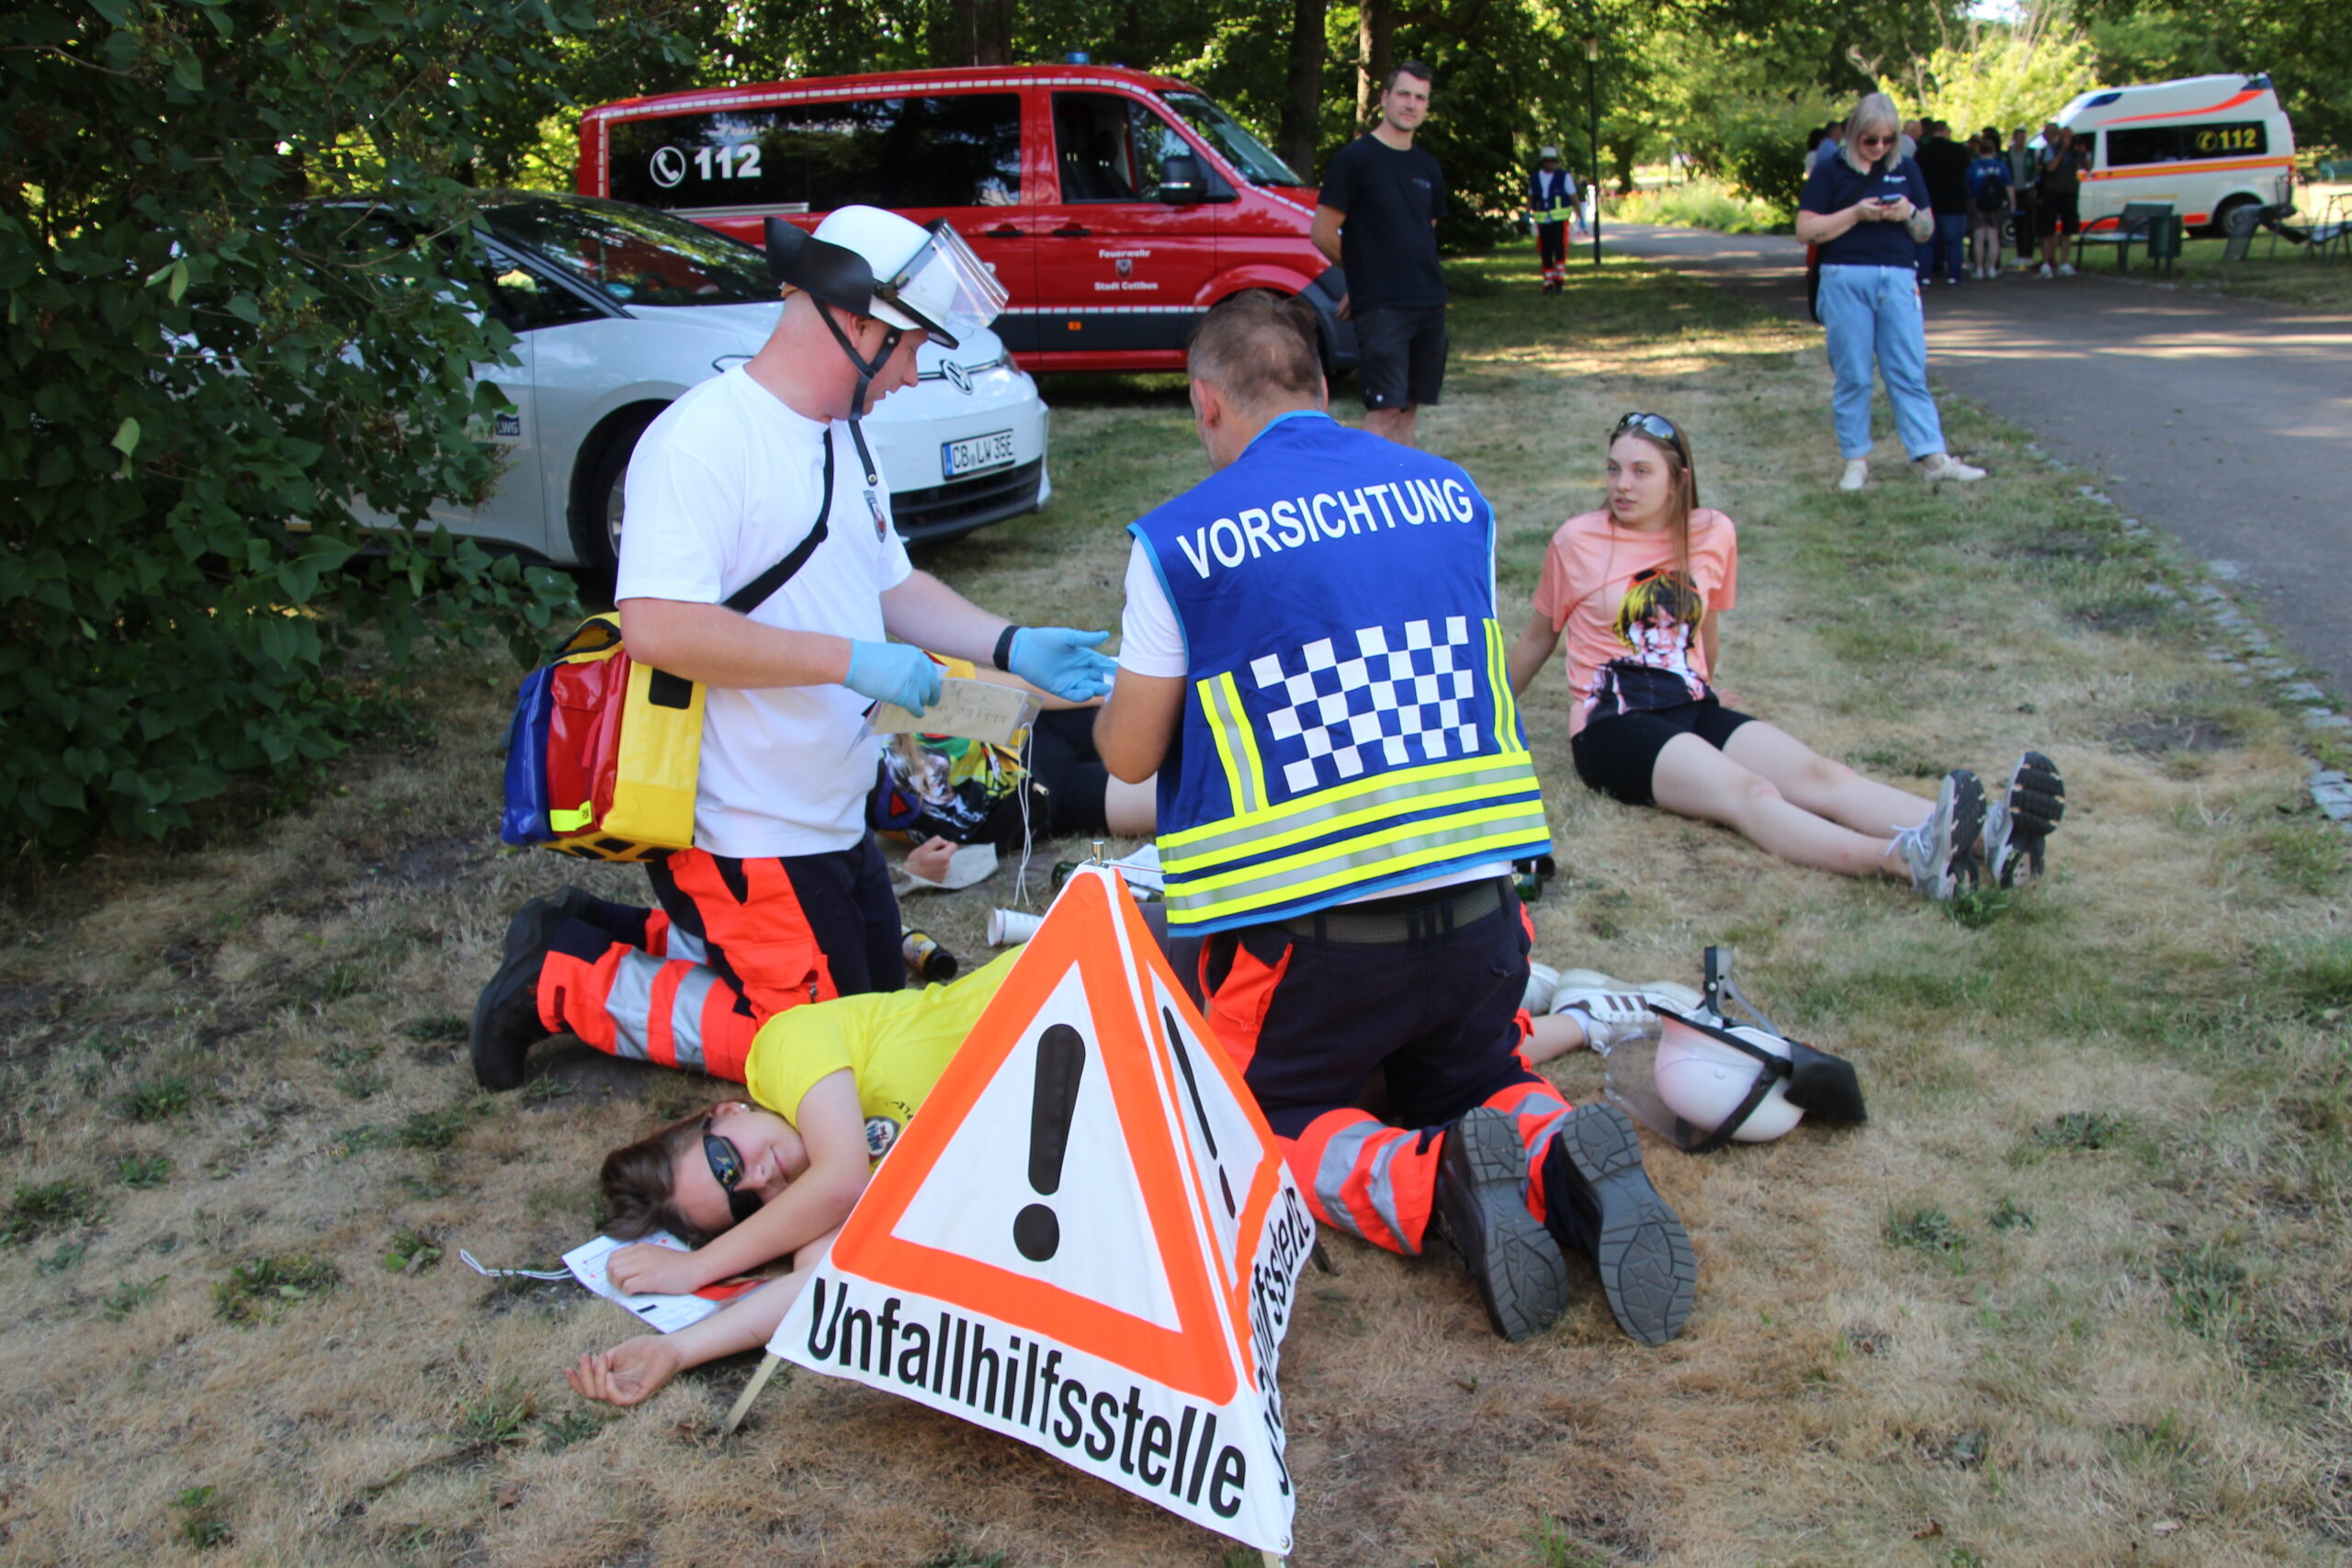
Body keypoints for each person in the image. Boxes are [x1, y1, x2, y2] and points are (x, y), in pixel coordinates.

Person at [1093, 291, 1695, 1347]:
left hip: (1305, 942)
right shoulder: (1452, 495)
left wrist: (1116, 693)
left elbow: (1130, 756)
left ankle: (1428, 1181)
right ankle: (1559, 1153)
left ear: (1205, 404)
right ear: (1323, 388)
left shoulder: (1182, 540)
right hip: (1481, 916)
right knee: (1481, 1075)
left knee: (1256, 1118)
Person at [469, 205, 1117, 1093]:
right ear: (854, 322)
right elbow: (660, 627)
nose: (914, 372)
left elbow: (892, 586)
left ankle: (595, 930)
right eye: (908, 347)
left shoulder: (843, 436)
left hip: (831, 811)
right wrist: (849, 661)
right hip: (745, 826)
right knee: (828, 1055)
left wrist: (1012, 641)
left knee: (879, 1007)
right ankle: (564, 977)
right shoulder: (701, 441)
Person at [1504, 411, 2066, 899]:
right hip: (1612, 725)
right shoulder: (1577, 540)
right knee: (1750, 792)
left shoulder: (1711, 532)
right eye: (1613, 469)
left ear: (1679, 481)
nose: (1621, 485)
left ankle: (1989, 836)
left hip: (1689, 706)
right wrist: (1484, 717)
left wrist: (1706, 687)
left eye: (1640, 471)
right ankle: (1905, 860)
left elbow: (1706, 630)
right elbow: (1537, 639)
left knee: (1823, 775)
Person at [563, 943, 1023, 1407]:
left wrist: (698, 1267)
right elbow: (824, 1287)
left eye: (727, 1163)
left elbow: (842, 1180)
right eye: (745, 1205)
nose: (758, 1179)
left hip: (1052, 997)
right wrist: (677, 1350)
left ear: (725, 1111)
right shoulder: (824, 1212)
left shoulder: (782, 1050)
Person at [1793, 94, 1985, 492]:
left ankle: (1933, 457)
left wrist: (1909, 213)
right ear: (1854, 134)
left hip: (1898, 277)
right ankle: (1856, 460)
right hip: (1845, 277)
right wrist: (1856, 213)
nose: (1879, 148)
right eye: (1871, 140)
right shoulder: (1830, 171)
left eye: (1888, 140)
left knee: (1908, 370)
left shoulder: (1906, 168)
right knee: (1853, 373)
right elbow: (1806, 230)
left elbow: (1926, 230)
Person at [1313, 62, 1449, 448]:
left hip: (1428, 301)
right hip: (1384, 309)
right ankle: (1355, 479)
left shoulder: (1427, 167)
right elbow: (1322, 233)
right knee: (1385, 408)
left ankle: (1400, 483)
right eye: (1403, 94)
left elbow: (1424, 234)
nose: (1411, 104)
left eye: (1420, 98)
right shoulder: (1354, 160)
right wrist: (1364, 281)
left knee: (1409, 407)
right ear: (1385, 98)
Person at [1913, 119, 1972, 288]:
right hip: (1954, 203)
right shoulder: (1958, 150)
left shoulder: (1922, 152)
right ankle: (1954, 276)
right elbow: (1966, 172)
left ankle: (1924, 276)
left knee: (1926, 242)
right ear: (1945, 131)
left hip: (1929, 202)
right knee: (1955, 243)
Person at [2036, 124, 2087, 276]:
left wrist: (2082, 154)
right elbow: (2051, 167)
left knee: (2068, 229)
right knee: (2047, 229)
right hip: (2052, 192)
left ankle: (2064, 262)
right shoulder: (2051, 148)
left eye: (2070, 136)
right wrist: (2063, 150)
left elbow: (2088, 167)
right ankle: (2046, 263)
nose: (2068, 139)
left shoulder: (2076, 149)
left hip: (2069, 192)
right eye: (2066, 136)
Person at [1529, 144, 1577, 294]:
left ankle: (1559, 281)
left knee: (1559, 249)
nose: (1551, 163)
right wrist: (1526, 214)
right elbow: (1530, 197)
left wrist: (1580, 217)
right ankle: (1548, 283)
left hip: (1560, 221)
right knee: (1545, 251)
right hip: (1543, 221)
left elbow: (1573, 197)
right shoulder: (1535, 178)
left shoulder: (1564, 177)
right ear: (1542, 161)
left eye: (1553, 160)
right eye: (1547, 160)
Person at [1966, 134, 2013, 279]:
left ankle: (1979, 269)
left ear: (1979, 150)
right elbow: (2009, 185)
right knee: (1993, 237)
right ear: (1993, 150)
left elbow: (1968, 184)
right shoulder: (2000, 165)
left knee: (1979, 237)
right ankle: (1992, 268)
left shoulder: (1974, 166)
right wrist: (2012, 203)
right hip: (1995, 203)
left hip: (1977, 203)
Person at [2006, 128, 2039, 269]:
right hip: (2014, 191)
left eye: (2024, 138)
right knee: (2017, 224)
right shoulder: (2008, 155)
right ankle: (2020, 254)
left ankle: (2029, 254)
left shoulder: (2031, 153)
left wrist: (2034, 188)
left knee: (2029, 224)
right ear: (2014, 138)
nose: (2022, 140)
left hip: (2028, 191)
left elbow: (2036, 171)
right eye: (2019, 138)